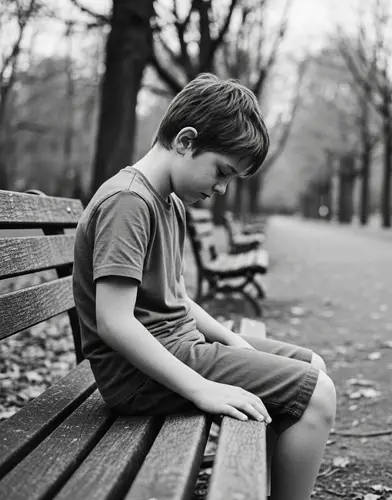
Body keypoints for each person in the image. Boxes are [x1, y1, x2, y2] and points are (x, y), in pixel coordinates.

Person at [72, 73, 336, 500]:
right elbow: (115, 322)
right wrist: (201, 389)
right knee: (317, 396)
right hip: (139, 376)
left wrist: (234, 339)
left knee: (315, 367)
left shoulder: (167, 201)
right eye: (222, 171)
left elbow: (178, 298)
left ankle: (265, 486)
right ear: (185, 141)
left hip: (178, 346)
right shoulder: (129, 202)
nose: (221, 188)